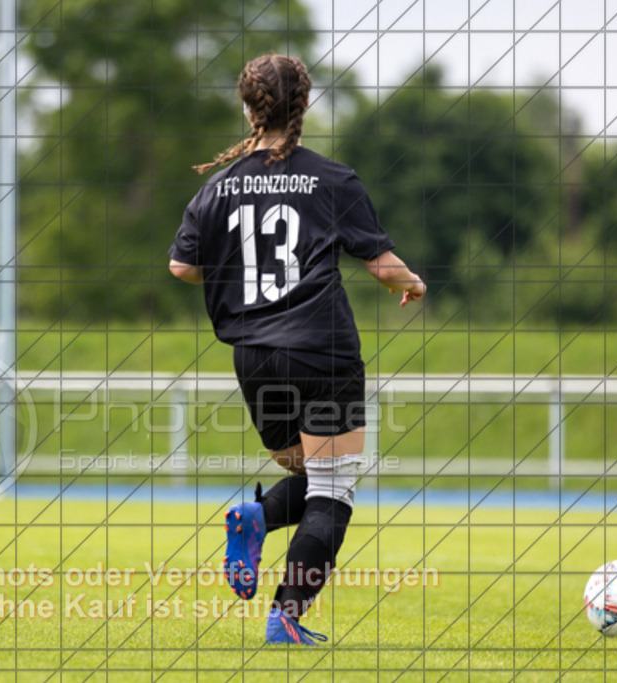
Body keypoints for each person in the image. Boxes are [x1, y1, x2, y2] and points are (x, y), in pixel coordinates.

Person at [167, 54, 426, 646]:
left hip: (254, 358)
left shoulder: (220, 185)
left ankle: (257, 518)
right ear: (303, 106)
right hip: (322, 350)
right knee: (333, 490)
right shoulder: (333, 179)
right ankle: (286, 614)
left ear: (247, 108)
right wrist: (412, 283)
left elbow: (182, 265)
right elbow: (382, 267)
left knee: (310, 475)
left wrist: (236, 272)